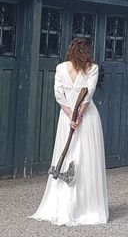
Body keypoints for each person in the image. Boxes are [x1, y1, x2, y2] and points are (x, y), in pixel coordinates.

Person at [30, 38, 109, 225]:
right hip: (86, 117)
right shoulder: (92, 68)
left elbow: (59, 94)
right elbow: (89, 94)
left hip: (68, 118)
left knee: (72, 155)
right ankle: (87, 206)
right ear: (86, 52)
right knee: (86, 158)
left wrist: (70, 116)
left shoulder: (60, 68)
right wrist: (78, 115)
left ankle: (69, 204)